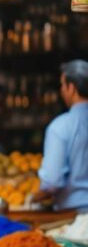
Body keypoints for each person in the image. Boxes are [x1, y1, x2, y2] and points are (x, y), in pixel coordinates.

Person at [37, 60, 88, 213]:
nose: (62, 90)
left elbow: (53, 182)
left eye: (62, 85)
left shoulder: (60, 127)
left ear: (71, 88)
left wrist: (33, 198)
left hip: (74, 217)